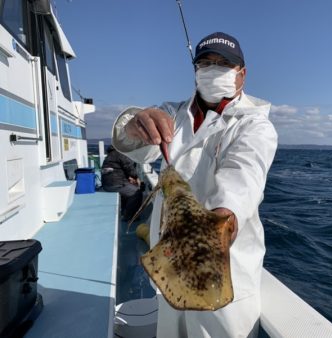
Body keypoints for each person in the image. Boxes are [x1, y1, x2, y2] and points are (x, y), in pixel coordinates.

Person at [111, 32, 278, 337]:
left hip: (225, 273)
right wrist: (135, 125)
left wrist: (223, 217)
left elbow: (245, 174)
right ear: (195, 72)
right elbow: (129, 144)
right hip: (171, 265)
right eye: (205, 63)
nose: (213, 68)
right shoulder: (171, 113)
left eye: (223, 63)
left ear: (242, 72)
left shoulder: (255, 125)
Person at [101, 145, 143, 221]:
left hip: (107, 184)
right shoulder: (121, 154)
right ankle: (129, 216)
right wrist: (136, 178)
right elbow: (129, 168)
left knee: (128, 188)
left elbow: (118, 170)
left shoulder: (110, 155)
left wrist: (129, 178)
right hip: (115, 184)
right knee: (136, 192)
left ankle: (124, 211)